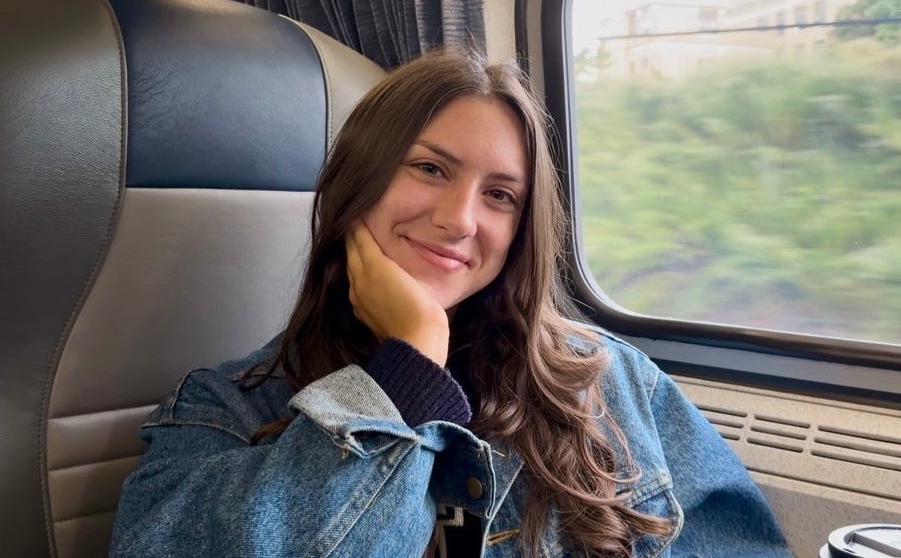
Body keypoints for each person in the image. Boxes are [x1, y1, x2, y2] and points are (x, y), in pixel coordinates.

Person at [109, 52, 791, 557]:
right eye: (429, 168)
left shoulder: (609, 381)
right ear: (358, 179)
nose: (460, 219)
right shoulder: (219, 412)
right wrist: (408, 367)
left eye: (499, 195)